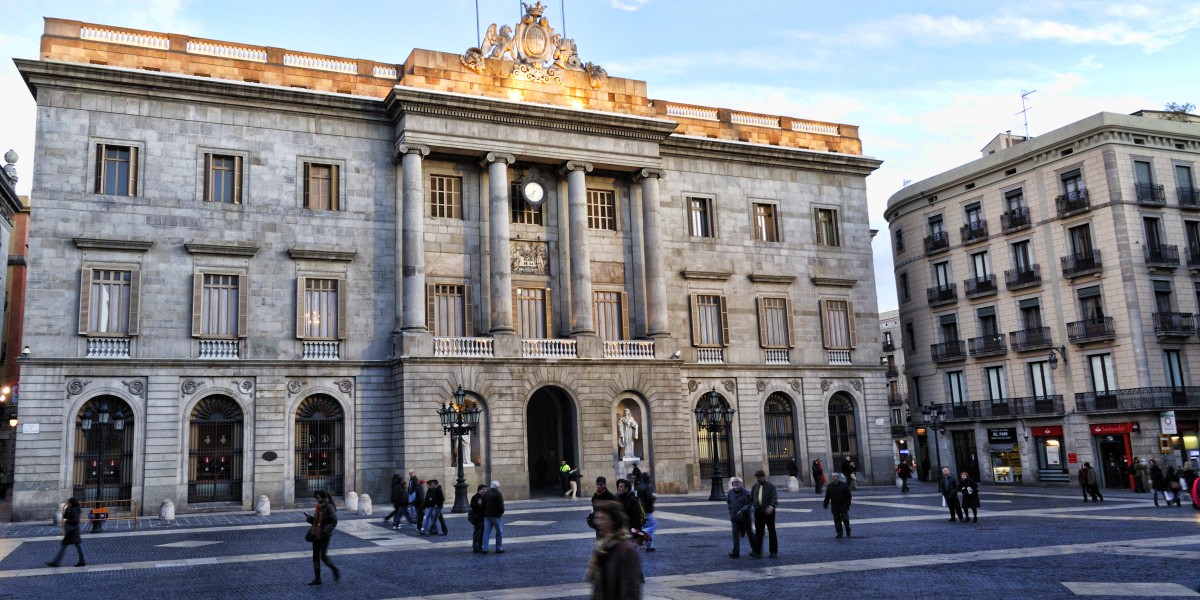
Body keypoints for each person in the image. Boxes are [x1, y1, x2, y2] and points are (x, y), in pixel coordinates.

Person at [586, 500, 643, 600]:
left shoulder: (627, 550)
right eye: (597, 518)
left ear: (614, 521)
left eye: (603, 518)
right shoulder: (602, 547)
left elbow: (631, 591)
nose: (598, 523)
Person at [304, 490, 340, 585]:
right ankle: (317, 578)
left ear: (323, 497)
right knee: (315, 557)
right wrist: (310, 519)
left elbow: (333, 522)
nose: (317, 499)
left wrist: (324, 530)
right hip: (316, 534)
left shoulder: (329, 507)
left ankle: (334, 569)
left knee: (323, 556)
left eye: (318, 497)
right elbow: (317, 522)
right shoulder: (318, 507)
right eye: (316, 498)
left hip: (324, 535)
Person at [46, 497, 86, 567]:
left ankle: (56, 562)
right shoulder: (70, 509)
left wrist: (67, 521)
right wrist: (67, 511)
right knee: (74, 546)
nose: (67, 504)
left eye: (68, 503)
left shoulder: (74, 510)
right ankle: (81, 561)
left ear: (71, 503)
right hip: (72, 531)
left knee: (76, 546)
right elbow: (65, 516)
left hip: (73, 531)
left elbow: (76, 521)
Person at [749, 470, 778, 558]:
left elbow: (774, 498)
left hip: (768, 511)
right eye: (757, 477)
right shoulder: (755, 486)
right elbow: (752, 498)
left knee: (771, 531)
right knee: (759, 532)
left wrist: (771, 507)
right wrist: (752, 505)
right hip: (758, 511)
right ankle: (758, 551)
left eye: (760, 477)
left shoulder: (771, 487)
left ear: (764, 477)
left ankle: (773, 552)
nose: (759, 479)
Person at [726, 476, 753, 558]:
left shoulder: (746, 492)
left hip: (745, 517)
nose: (735, 483)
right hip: (734, 517)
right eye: (734, 482)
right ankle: (736, 552)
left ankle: (756, 550)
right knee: (735, 534)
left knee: (750, 533)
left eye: (737, 482)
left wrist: (743, 510)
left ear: (741, 483)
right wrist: (730, 511)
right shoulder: (730, 492)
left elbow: (749, 503)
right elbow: (729, 503)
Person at [822, 472, 852, 538]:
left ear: (837, 477)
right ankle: (839, 534)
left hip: (843, 506)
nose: (832, 478)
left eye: (834, 476)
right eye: (832, 476)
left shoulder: (844, 485)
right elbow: (827, 497)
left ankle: (848, 531)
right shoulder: (829, 486)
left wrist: (847, 505)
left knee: (845, 520)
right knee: (837, 521)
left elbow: (849, 496)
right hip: (835, 506)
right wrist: (825, 504)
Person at [635, 472, 658, 552]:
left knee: (648, 528)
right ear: (648, 479)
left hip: (641, 511)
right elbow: (650, 497)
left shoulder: (639, 487)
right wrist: (654, 497)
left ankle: (649, 546)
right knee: (653, 526)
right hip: (647, 511)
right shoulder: (648, 487)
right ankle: (640, 533)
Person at [482, 480, 505, 554]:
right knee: (499, 532)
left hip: (487, 515)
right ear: (497, 486)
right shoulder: (498, 494)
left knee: (486, 532)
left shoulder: (487, 493)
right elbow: (501, 505)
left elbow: (483, 504)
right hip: (496, 516)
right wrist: (501, 512)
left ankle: (484, 548)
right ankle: (499, 548)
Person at [469, 484, 487, 553]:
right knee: (477, 533)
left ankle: (480, 546)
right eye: (483, 489)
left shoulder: (484, 497)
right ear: (479, 490)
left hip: (483, 517)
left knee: (482, 533)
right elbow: (472, 506)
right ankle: (475, 547)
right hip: (477, 518)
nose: (484, 490)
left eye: (485, 489)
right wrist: (478, 504)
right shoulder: (476, 497)